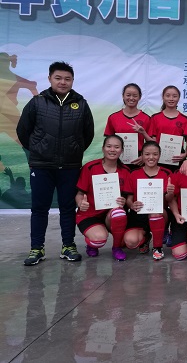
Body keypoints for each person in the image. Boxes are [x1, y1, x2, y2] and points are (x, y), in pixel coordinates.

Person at [17, 61, 94, 266]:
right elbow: (23, 131)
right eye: (58, 78)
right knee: (39, 208)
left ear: (72, 81)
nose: (63, 82)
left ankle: (68, 246)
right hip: (42, 166)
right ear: (50, 79)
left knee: (67, 208)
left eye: (67, 79)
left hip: (69, 166)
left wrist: (74, 149)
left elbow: (87, 134)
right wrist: (38, 149)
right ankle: (37, 248)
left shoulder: (81, 104)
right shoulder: (37, 102)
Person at [74, 135, 131, 261]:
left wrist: (123, 201)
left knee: (119, 213)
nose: (112, 150)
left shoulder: (125, 171)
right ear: (103, 148)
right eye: (109, 146)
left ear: (122, 150)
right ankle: (92, 243)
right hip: (89, 214)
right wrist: (80, 203)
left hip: (110, 215)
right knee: (98, 240)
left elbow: (126, 198)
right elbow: (79, 194)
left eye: (117, 147)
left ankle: (116, 247)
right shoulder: (90, 167)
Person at [123, 141, 172, 261]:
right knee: (130, 242)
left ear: (159, 155)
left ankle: (157, 247)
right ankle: (145, 238)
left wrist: (170, 193)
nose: (151, 157)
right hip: (138, 213)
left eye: (155, 154)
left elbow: (170, 201)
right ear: (142, 155)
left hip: (160, 214)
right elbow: (128, 199)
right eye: (147, 154)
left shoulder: (166, 173)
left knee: (155, 213)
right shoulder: (134, 173)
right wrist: (132, 205)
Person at [104, 83, 151, 167]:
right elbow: (108, 141)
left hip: (138, 161)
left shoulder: (146, 118)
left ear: (140, 97)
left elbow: (151, 142)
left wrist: (144, 156)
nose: (131, 98)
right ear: (123, 96)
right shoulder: (113, 117)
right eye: (128, 95)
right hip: (116, 159)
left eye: (135, 95)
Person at [147, 85, 187, 170]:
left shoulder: (185, 119)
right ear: (163, 97)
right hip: (158, 158)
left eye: (174, 96)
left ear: (179, 98)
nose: (171, 99)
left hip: (178, 158)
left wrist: (185, 154)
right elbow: (153, 140)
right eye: (168, 96)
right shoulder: (155, 118)